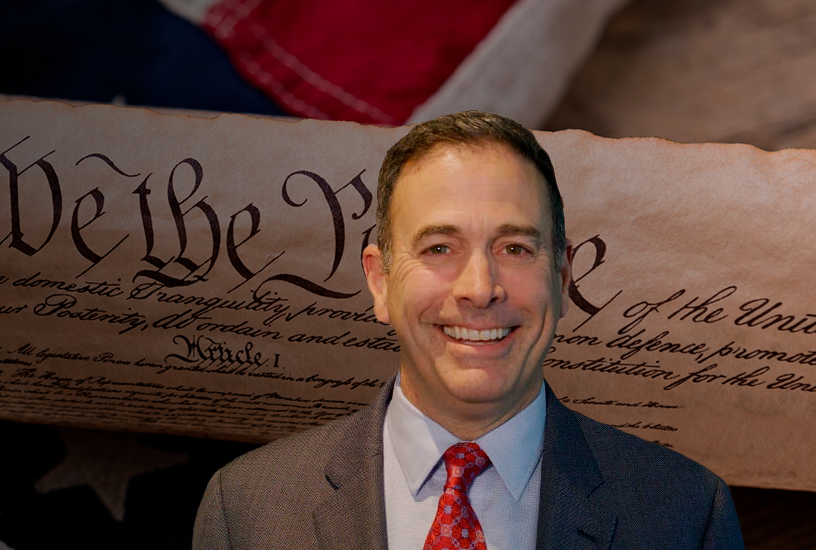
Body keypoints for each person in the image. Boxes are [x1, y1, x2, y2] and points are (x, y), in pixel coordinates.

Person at [192, 111, 744, 550]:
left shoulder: (684, 515)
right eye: (439, 248)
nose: (480, 288)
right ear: (380, 281)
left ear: (561, 276)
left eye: (515, 248)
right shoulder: (246, 510)